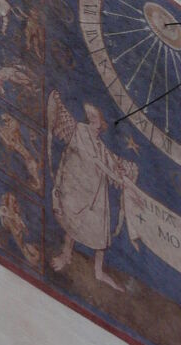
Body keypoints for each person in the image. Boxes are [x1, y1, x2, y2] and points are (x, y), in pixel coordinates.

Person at [47, 92, 136, 290]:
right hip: (81, 188)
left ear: (101, 124)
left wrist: (122, 171)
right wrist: (116, 176)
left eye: (96, 119)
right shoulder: (81, 130)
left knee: (99, 230)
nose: (94, 122)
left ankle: (99, 270)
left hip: (97, 194)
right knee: (74, 219)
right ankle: (66, 254)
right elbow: (92, 160)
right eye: (92, 118)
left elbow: (110, 163)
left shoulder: (101, 146)